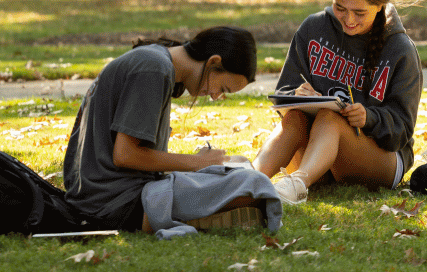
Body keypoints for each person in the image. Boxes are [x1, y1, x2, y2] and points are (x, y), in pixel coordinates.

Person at [64, 25, 281, 234]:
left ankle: (200, 215)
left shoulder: (154, 60)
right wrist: (198, 163)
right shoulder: (154, 68)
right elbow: (125, 155)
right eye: (222, 88)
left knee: (243, 174)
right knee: (255, 185)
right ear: (214, 61)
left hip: (101, 196)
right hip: (114, 202)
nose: (215, 96)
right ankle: (195, 217)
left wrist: (199, 165)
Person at [253, 0, 422, 204]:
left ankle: (297, 184)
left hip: (380, 158)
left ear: (379, 5)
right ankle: (248, 178)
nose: (349, 20)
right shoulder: (313, 28)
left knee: (330, 118)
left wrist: (369, 117)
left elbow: (402, 130)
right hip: (319, 154)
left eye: (359, 12)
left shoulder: (400, 49)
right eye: (340, 8)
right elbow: (283, 93)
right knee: (295, 118)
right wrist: (297, 96)